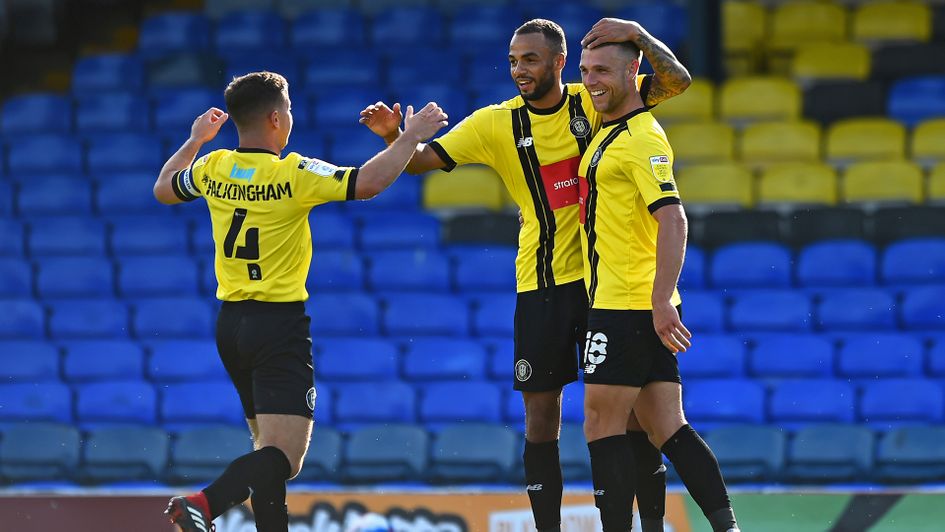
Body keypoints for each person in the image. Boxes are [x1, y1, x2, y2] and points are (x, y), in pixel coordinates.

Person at [359, 19, 689, 532]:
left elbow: (675, 81)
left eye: (530, 60)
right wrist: (394, 137)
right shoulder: (495, 123)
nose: (519, 70)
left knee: (632, 419)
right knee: (541, 417)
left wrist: (637, 34)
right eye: (513, 61)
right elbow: (425, 161)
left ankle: (646, 525)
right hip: (542, 284)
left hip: (604, 283)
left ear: (558, 62)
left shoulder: (596, 97)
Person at [153, 71, 448, 532]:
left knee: (266, 452)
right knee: (285, 459)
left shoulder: (213, 167)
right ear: (275, 117)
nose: (290, 117)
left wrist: (195, 139)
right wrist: (409, 137)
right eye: (287, 109)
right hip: (278, 325)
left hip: (230, 324)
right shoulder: (294, 173)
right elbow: (367, 183)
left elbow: (165, 188)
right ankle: (204, 503)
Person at [576, 41, 740, 532]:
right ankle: (725, 527)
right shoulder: (614, 131)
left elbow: (673, 218)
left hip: (624, 303)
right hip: (634, 302)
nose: (590, 80)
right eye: (584, 70)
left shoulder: (643, 138)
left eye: (602, 69)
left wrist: (659, 298)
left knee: (600, 423)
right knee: (662, 427)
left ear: (634, 71)